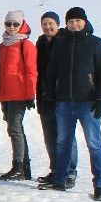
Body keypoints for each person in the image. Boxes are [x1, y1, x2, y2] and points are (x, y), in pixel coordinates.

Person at [39, 7, 101, 201]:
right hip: (63, 102)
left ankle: (99, 185)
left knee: (94, 144)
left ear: (84, 22)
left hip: (88, 103)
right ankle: (59, 179)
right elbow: (51, 74)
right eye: (71, 21)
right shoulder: (61, 45)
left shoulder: (97, 44)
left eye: (78, 21)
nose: (74, 24)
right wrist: (48, 97)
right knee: (62, 142)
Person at [35, 11, 77, 187]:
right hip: (44, 96)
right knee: (50, 136)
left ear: (58, 24)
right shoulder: (41, 43)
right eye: (44, 24)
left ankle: (70, 172)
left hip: (62, 97)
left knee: (65, 136)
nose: (48, 27)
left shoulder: (65, 41)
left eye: (51, 23)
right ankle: (55, 170)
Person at [0, 10, 38, 181]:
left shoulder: (25, 45)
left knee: (15, 128)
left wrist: (30, 95)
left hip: (19, 95)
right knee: (15, 128)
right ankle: (25, 166)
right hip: (5, 94)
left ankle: (18, 166)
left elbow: (31, 71)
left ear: (22, 24)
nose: (12, 27)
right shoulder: (4, 45)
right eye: (9, 24)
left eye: (16, 24)